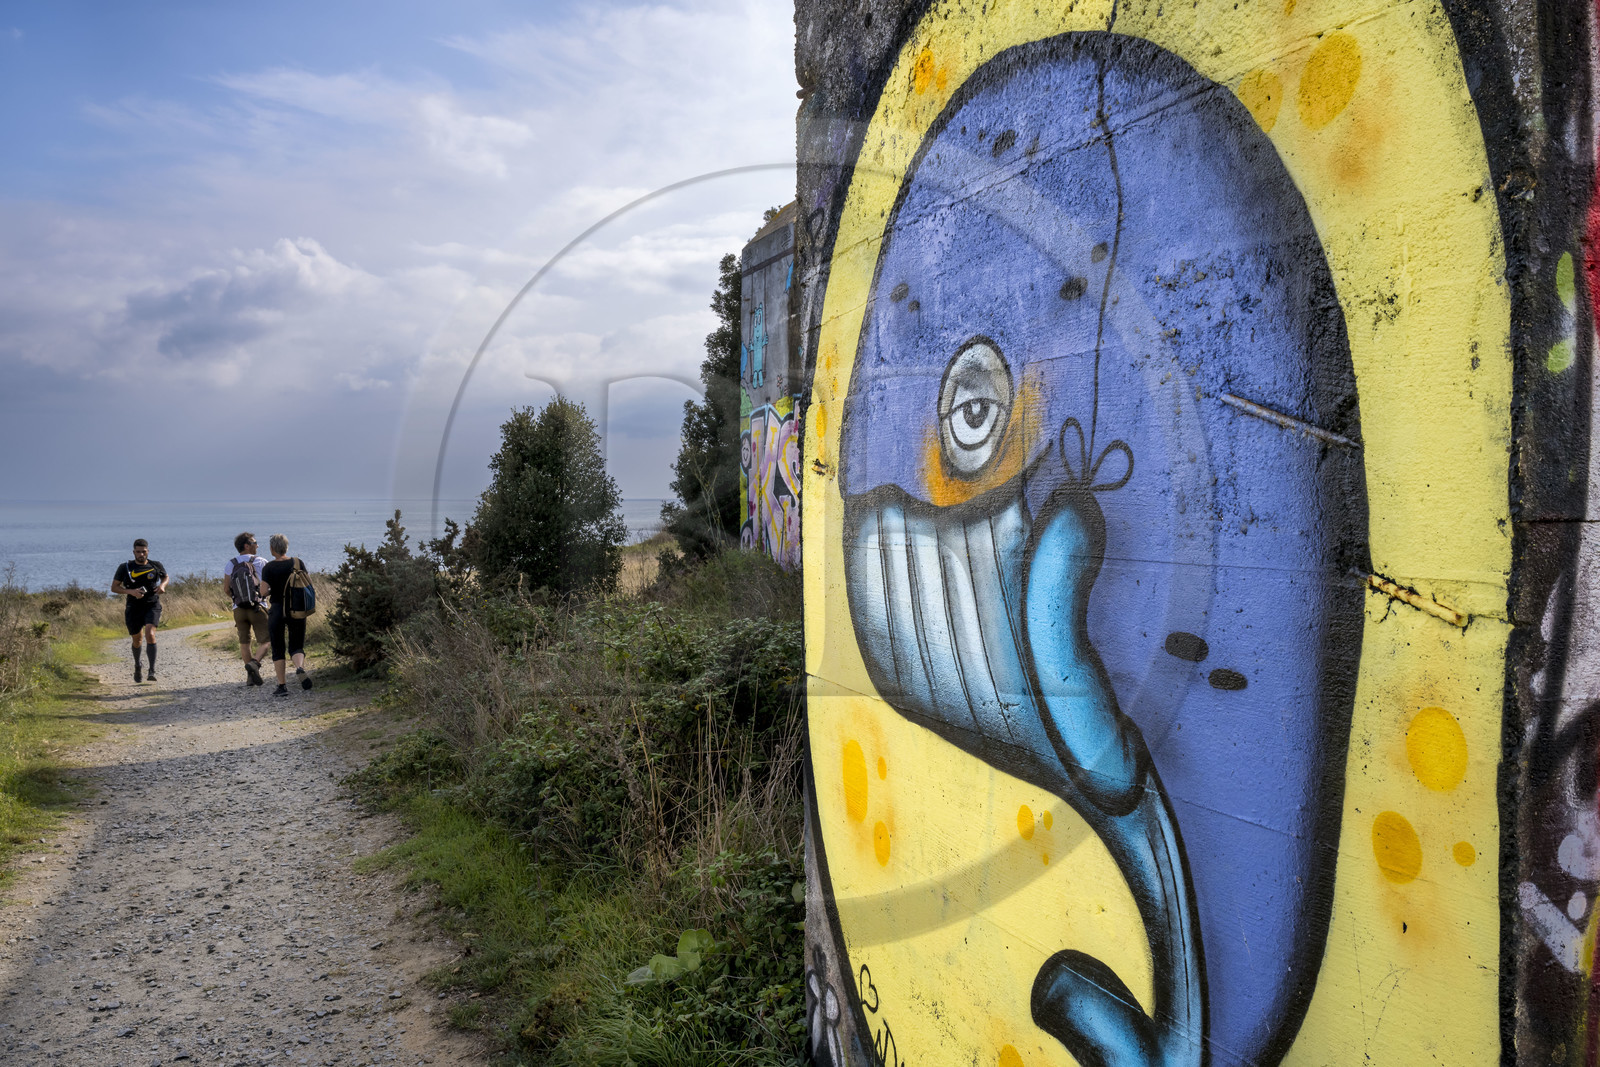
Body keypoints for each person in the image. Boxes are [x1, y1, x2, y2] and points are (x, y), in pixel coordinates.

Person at [259, 533, 313, 697]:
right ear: (286, 547)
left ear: (271, 549)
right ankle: (299, 668)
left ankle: (282, 686)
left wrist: (269, 589)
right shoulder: (297, 562)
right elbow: (307, 583)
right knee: (296, 645)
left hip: (276, 610)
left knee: (278, 648)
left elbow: (263, 591)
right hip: (296, 609)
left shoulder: (268, 567)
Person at [110, 538, 168, 683]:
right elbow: (114, 587)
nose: (141, 554)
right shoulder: (125, 567)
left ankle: (152, 671)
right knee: (137, 640)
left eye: (144, 551)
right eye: (138, 552)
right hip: (133, 607)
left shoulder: (155, 565)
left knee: (150, 634)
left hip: (152, 605)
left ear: (148, 551)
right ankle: (137, 665)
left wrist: (162, 586)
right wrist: (131, 592)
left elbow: (165, 576)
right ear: (133, 552)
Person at [224, 532, 271, 686]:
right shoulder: (261, 561)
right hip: (258, 607)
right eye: (255, 542)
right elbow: (267, 585)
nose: (257, 545)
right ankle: (255, 663)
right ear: (246, 545)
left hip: (238, 609)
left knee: (245, 642)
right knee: (267, 640)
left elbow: (226, 589)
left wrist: (238, 598)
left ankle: (250, 677)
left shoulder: (230, 563)